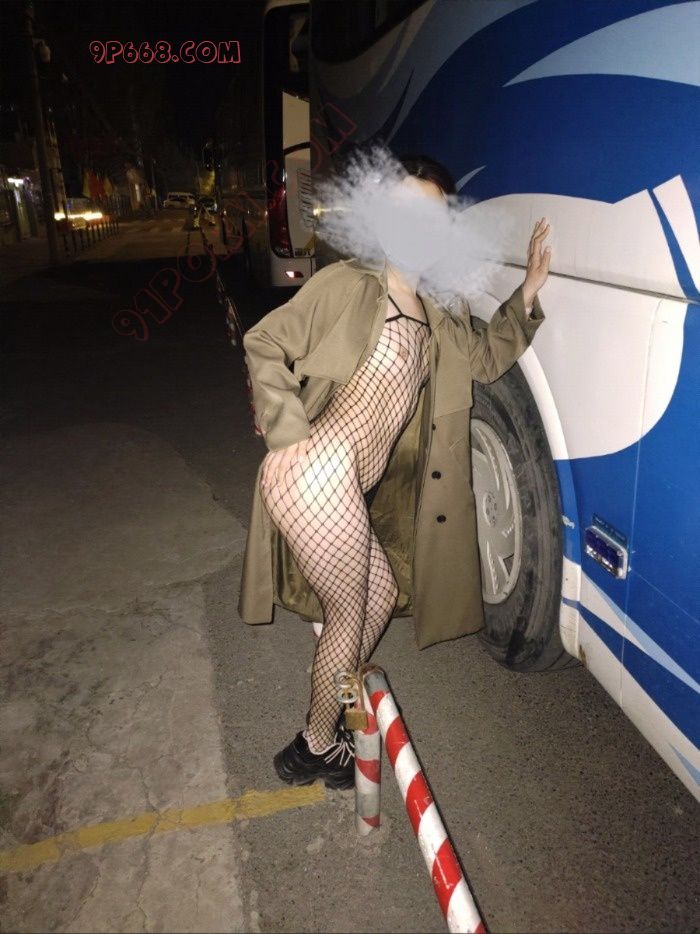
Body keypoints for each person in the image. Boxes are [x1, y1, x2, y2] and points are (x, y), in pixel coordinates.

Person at [240, 154, 552, 790]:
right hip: (317, 469)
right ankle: (315, 744)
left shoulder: (439, 315)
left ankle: (327, 720)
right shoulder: (350, 285)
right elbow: (263, 342)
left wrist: (526, 294)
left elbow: (486, 360)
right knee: (348, 612)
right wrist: (288, 432)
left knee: (375, 599)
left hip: (341, 484)